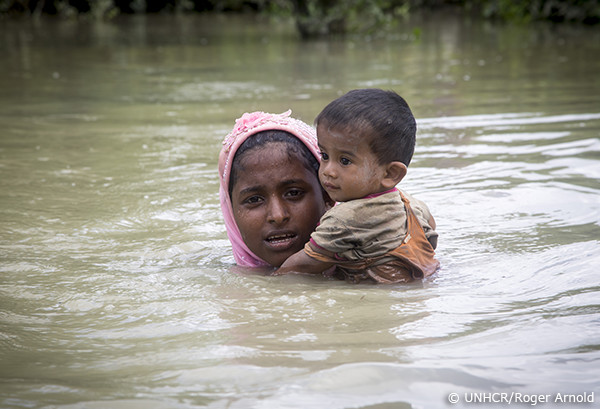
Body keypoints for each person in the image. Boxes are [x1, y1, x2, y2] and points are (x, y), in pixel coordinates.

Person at [275, 89, 440, 283]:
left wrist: (268, 281)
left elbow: (302, 266)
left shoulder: (344, 219)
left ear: (390, 174)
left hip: (376, 296)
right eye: (325, 156)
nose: (328, 170)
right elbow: (431, 233)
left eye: (344, 161)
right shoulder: (412, 204)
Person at [218, 110, 333, 268]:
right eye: (254, 199)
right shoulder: (223, 287)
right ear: (231, 211)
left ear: (328, 195)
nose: (278, 216)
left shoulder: (368, 267)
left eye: (293, 193)